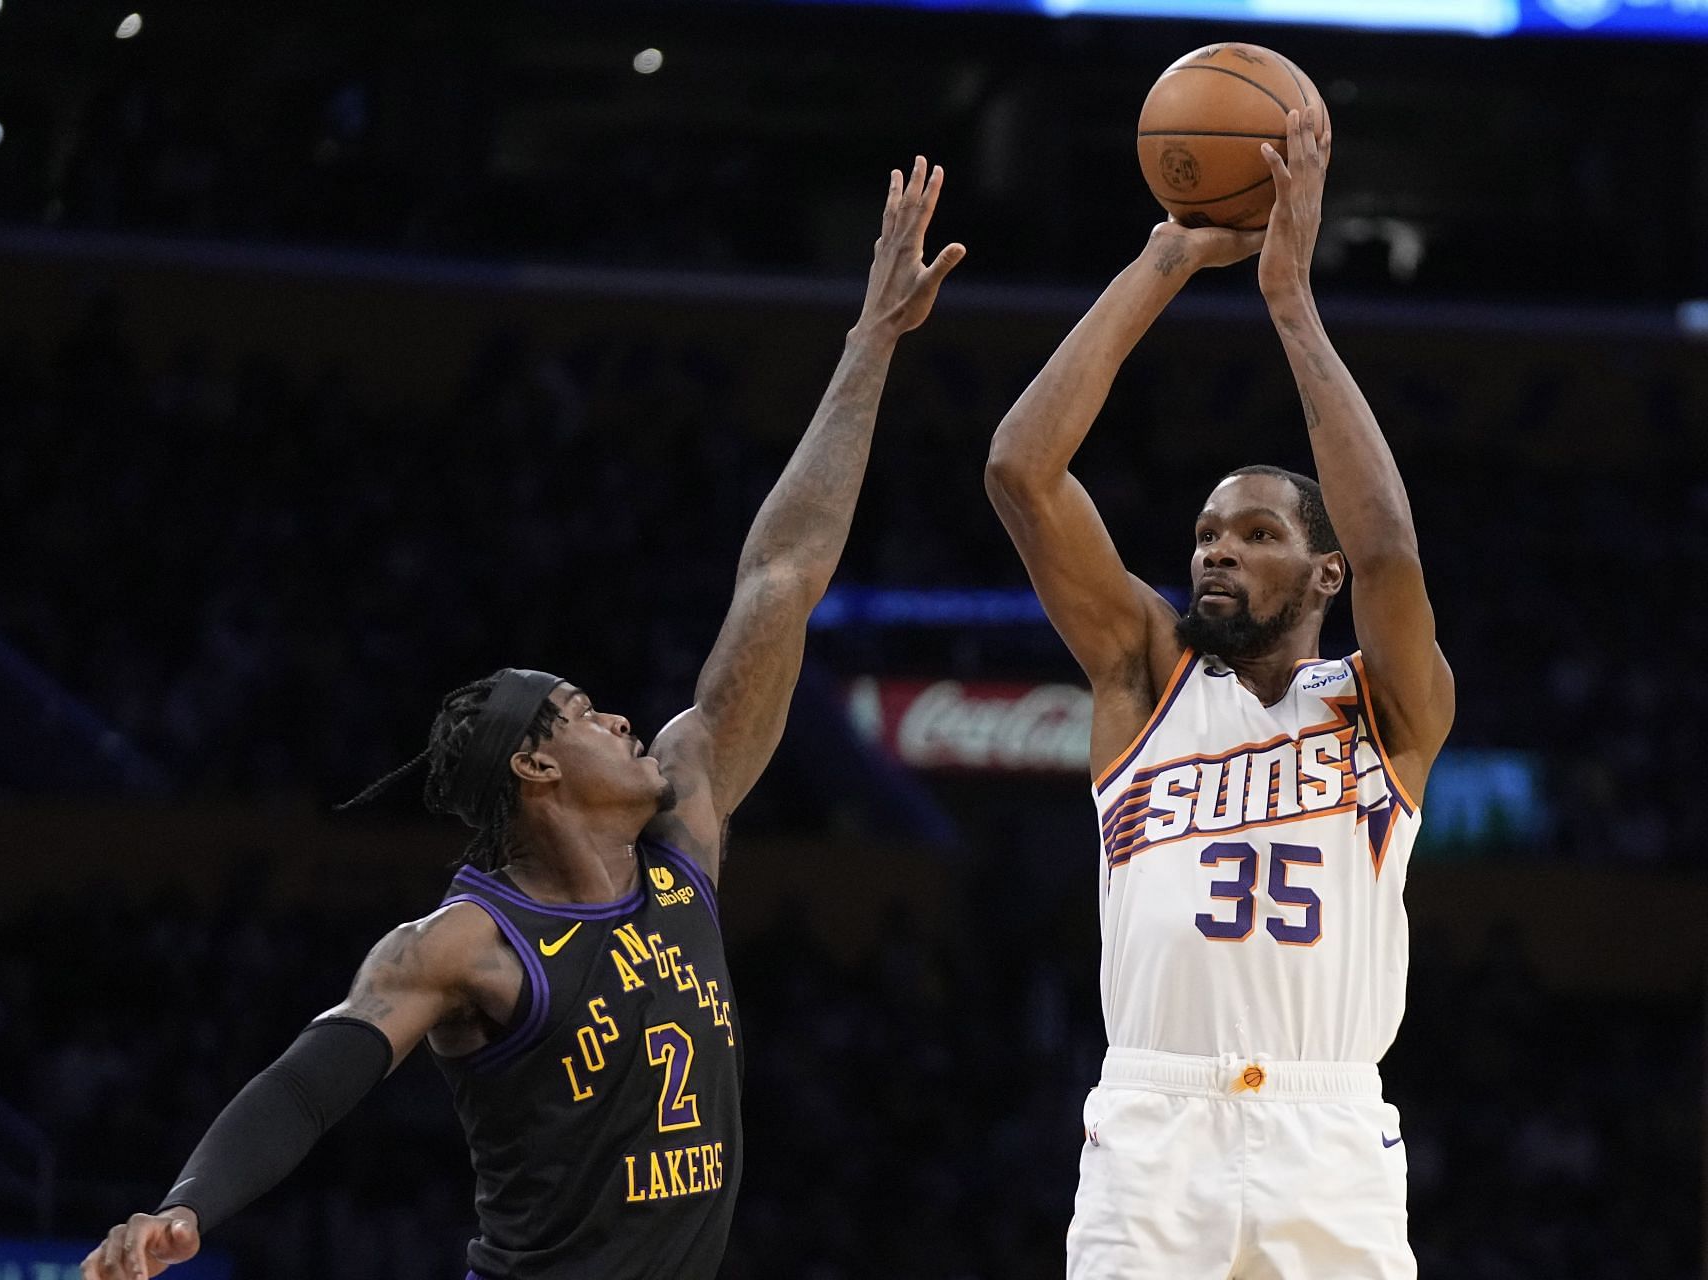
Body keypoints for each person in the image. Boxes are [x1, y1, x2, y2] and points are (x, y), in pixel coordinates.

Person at [79, 157, 965, 1280]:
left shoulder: (687, 820)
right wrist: (188, 1208)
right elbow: (311, 1077)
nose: (627, 718)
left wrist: (871, 342)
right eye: (586, 710)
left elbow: (782, 575)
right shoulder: (467, 944)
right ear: (537, 764)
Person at [985, 106, 1452, 1278]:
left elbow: (1392, 549)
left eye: (1253, 531)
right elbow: (1020, 472)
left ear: (1321, 570)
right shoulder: (1145, 673)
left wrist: (1293, 305)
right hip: (1156, 1118)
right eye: (1203, 532)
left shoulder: (1387, 706)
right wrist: (1161, 264)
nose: (1216, 551)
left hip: (1328, 1125)